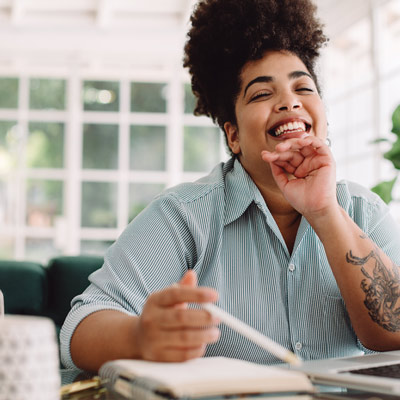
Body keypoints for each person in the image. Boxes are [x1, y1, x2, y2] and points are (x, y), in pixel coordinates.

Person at [61, 0, 400, 372]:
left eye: (303, 88)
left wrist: (324, 211)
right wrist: (140, 337)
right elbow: (79, 329)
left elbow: (394, 333)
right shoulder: (184, 217)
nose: (289, 101)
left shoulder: (363, 211)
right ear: (234, 135)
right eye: (261, 93)